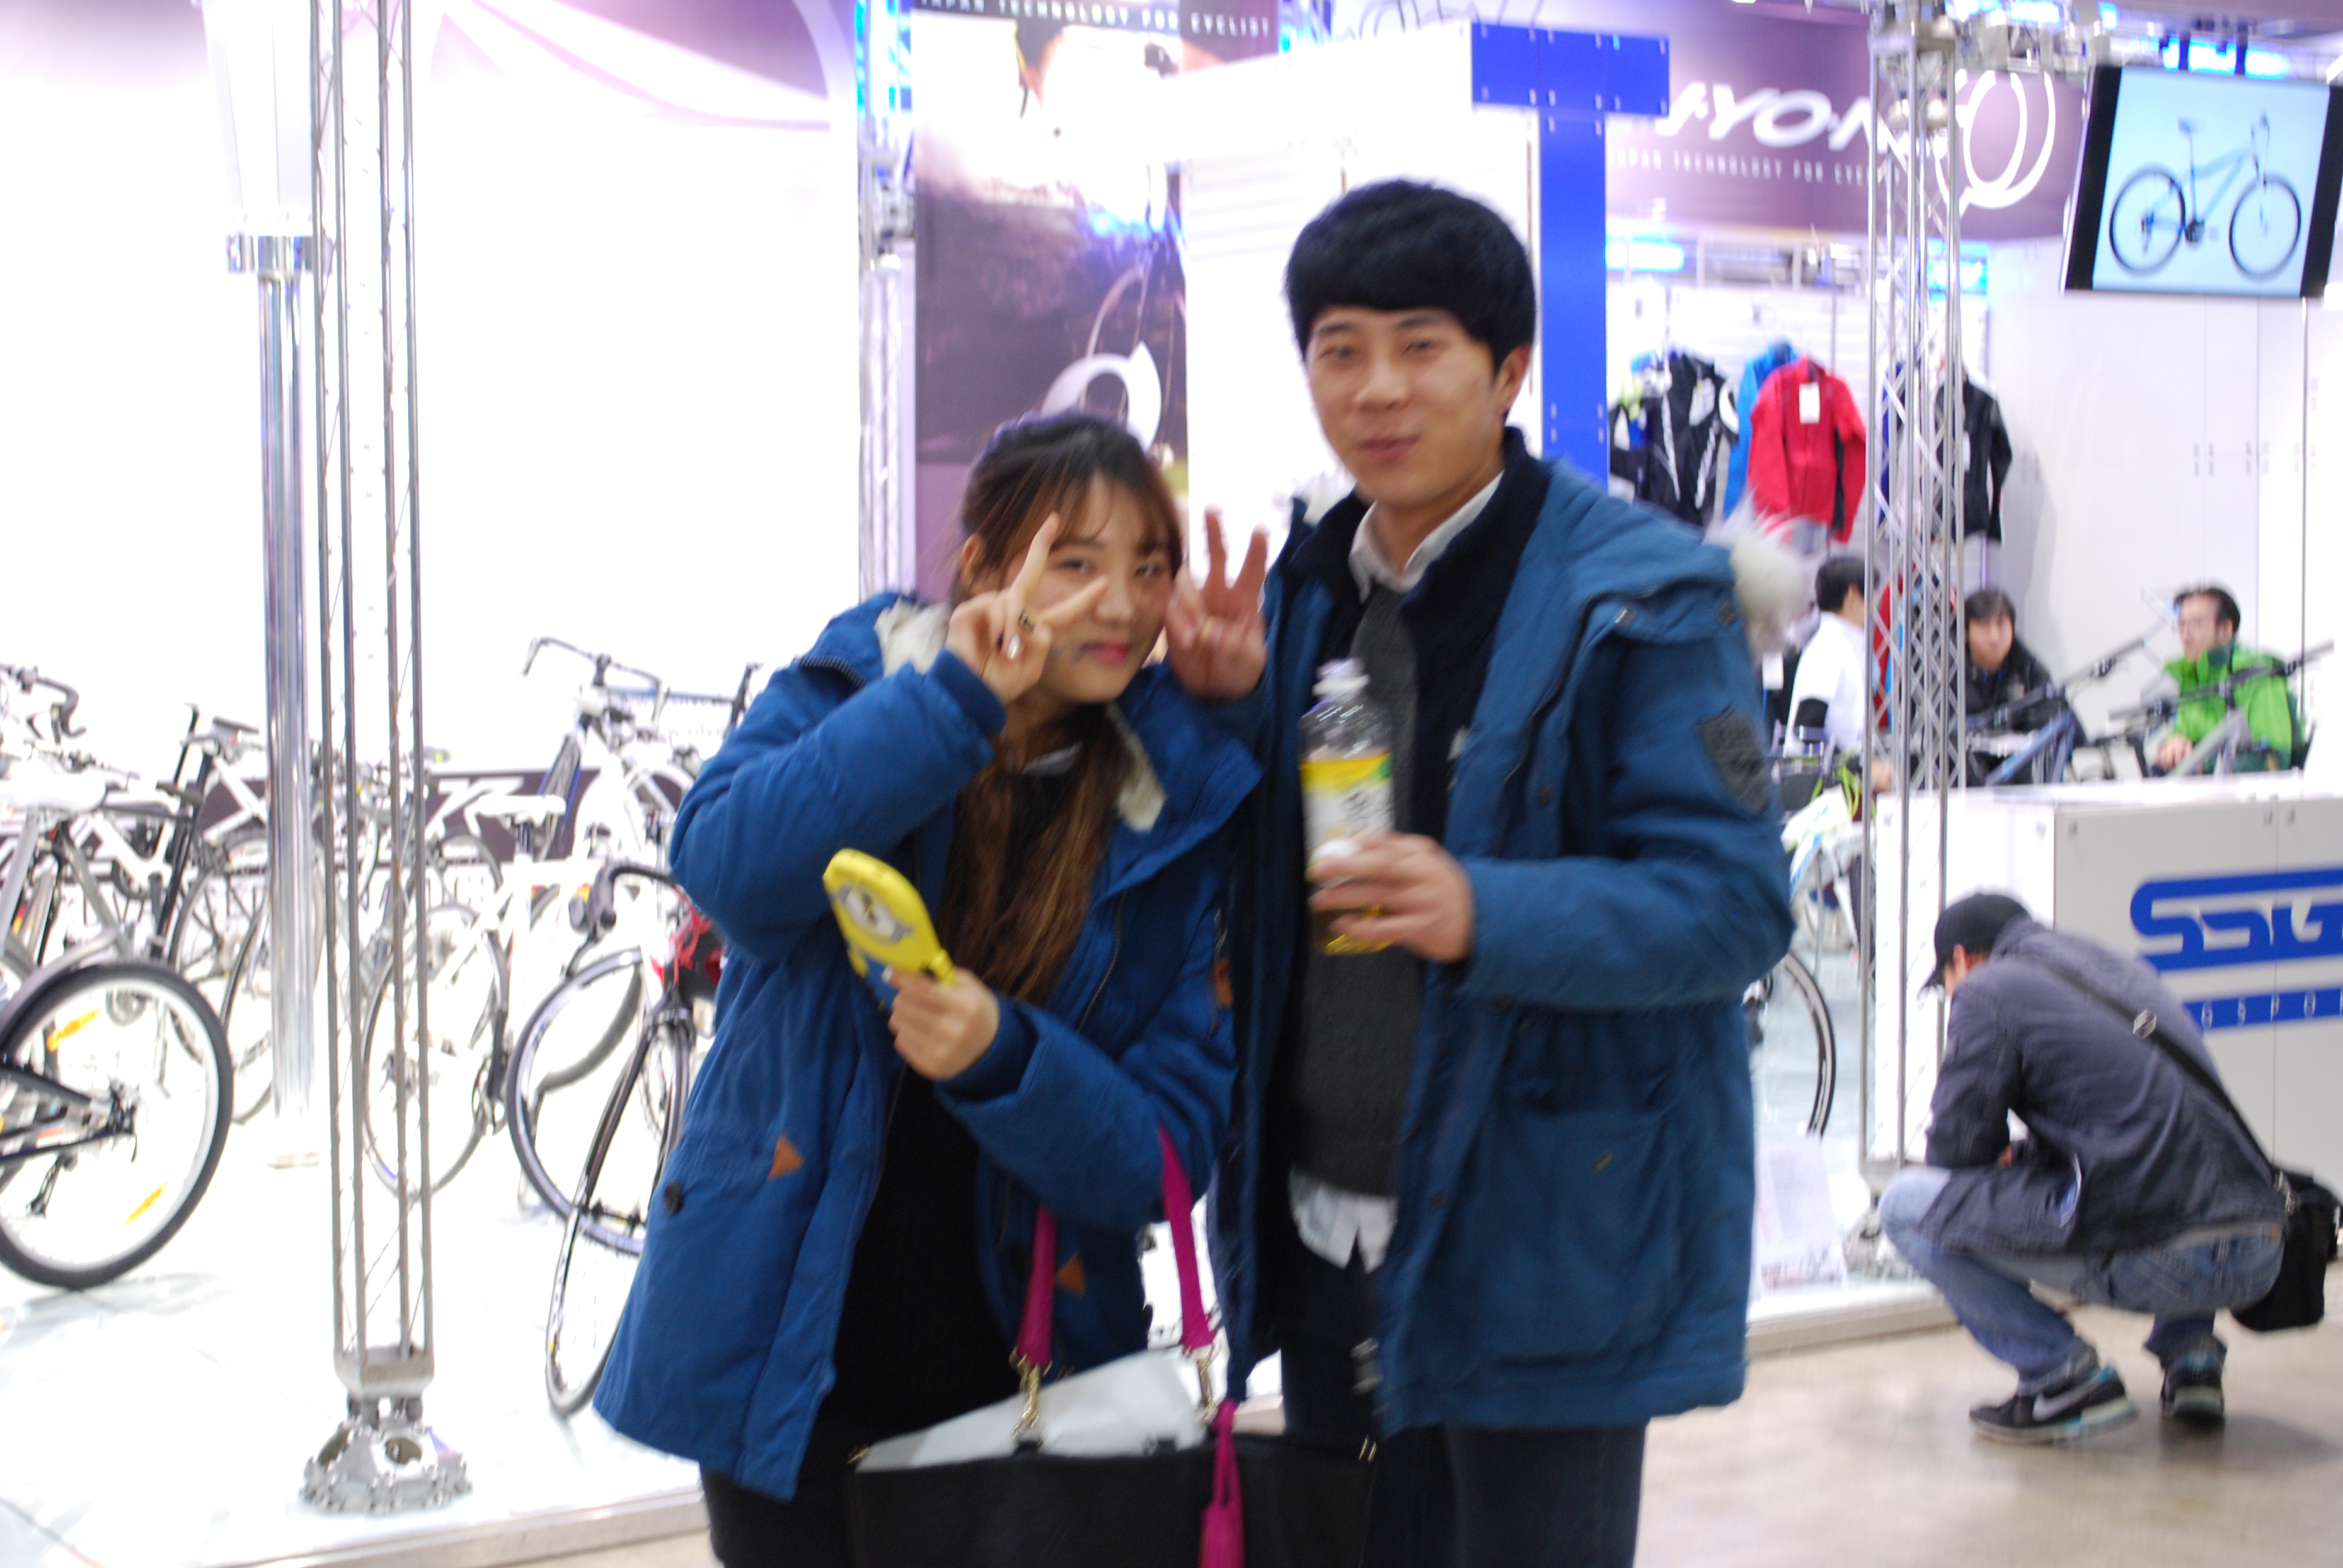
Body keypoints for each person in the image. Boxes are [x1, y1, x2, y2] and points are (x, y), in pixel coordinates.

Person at [1166, 181, 1794, 1568]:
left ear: (1508, 371)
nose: (1377, 389)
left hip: (1541, 1231)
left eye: (1420, 346)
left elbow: (1734, 905)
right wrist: (1219, 710)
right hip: (1328, 1214)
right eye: (1340, 350)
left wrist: (1481, 909)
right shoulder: (1304, 586)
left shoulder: (1642, 595)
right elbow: (1257, 892)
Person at [594, 414, 1258, 1567]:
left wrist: (1006, 1056)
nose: (1119, 603)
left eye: (1149, 568)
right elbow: (730, 872)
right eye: (1075, 562)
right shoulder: (863, 679)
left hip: (1027, 1373)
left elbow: (1166, 1150)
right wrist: (953, 699)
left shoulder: (1172, 801)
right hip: (789, 1343)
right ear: (984, 566)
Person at [1878, 894, 2286, 1444]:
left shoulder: (1986, 990)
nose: (1952, 996)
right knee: (2172, 1159)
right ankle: (2192, 1360)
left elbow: (1956, 1150)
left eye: (1946, 983)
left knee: (1905, 1206)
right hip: (2260, 1248)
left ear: (1962, 959)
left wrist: (1994, 1152)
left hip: (2167, 1259)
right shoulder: (2115, 968)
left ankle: (2061, 1376)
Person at [2151, 584, 2300, 773]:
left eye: (2196, 624)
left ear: (2226, 629)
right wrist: (2172, 748)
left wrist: (2201, 764)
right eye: (2181, 625)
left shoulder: (2260, 679)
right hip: (2196, 789)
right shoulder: (2191, 678)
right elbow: (2181, 736)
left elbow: (2274, 760)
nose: (2186, 635)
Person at [1963, 587, 2067, 785]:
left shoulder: (2029, 668)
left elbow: (2051, 719)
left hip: (2020, 781)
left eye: (2001, 625)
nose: (1994, 637)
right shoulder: (1948, 670)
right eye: (1984, 626)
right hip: (1962, 784)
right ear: (1966, 632)